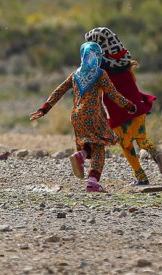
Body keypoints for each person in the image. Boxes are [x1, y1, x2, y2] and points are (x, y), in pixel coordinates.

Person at [30, 42, 137, 193]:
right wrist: (129, 106)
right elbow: (113, 94)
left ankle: (81, 155)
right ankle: (92, 183)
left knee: (90, 143)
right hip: (93, 114)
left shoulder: (75, 74)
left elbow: (58, 91)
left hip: (76, 115)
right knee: (99, 147)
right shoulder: (100, 74)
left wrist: (44, 108)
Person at [85, 27, 162, 184]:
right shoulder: (125, 61)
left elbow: (97, 91)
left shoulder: (99, 68)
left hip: (118, 111)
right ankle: (156, 154)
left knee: (126, 144)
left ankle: (141, 177)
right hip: (137, 107)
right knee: (142, 138)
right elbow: (133, 82)